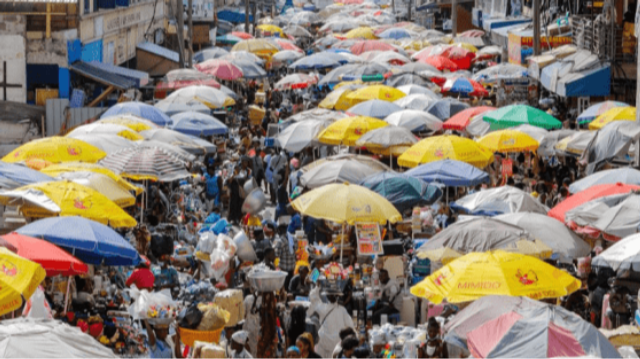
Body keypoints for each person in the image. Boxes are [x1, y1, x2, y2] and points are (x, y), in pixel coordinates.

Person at [308, 286, 355, 359]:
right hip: (336, 342)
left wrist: (317, 287)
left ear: (327, 296)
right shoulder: (342, 310)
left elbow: (314, 299)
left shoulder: (323, 308)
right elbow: (350, 326)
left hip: (324, 342)